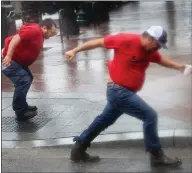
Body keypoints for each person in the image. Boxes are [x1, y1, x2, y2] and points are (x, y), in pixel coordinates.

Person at [65, 25, 192, 166]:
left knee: (104, 120)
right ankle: (156, 155)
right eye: (158, 45)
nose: (158, 48)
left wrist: (180, 67)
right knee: (150, 116)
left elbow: (161, 60)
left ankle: (78, 150)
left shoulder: (150, 50)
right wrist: (75, 50)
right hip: (118, 91)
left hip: (124, 92)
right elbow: (98, 42)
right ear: (150, 38)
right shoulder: (126, 40)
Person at [2, 18, 57, 121]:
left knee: (28, 78)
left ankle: (23, 105)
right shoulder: (34, 30)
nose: (50, 36)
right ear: (44, 27)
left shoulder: (38, 32)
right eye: (51, 33)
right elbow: (15, 38)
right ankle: (21, 112)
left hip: (17, 61)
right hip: (8, 60)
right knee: (23, 80)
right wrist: (8, 56)